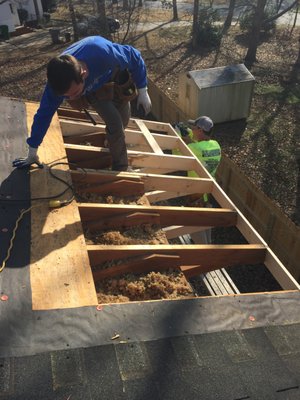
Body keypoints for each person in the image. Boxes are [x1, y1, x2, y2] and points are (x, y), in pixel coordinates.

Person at [12, 35, 152, 171]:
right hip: (93, 91)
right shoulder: (55, 87)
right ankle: (121, 168)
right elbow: (43, 115)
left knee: (123, 121)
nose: (72, 98)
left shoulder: (103, 53)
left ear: (83, 74)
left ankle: (111, 141)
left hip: (109, 75)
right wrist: (32, 151)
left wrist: (143, 90)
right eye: (67, 96)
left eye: (75, 93)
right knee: (115, 124)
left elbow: (134, 56)